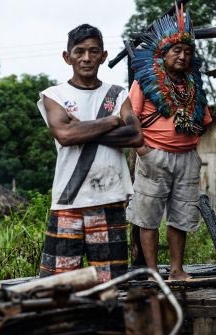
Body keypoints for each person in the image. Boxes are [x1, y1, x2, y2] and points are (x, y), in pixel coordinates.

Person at [36, 24, 143, 282]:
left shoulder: (116, 94)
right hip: (68, 201)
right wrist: (112, 122)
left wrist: (80, 128)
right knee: (58, 284)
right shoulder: (54, 95)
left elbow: (136, 136)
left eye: (93, 52)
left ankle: (105, 324)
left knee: (110, 282)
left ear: (103, 56)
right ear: (67, 56)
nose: (86, 58)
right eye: (79, 51)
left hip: (110, 197)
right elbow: (65, 135)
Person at [126, 3, 212, 281]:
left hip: (187, 158)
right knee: (147, 216)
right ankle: (151, 272)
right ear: (163, 54)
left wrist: (192, 143)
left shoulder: (193, 84)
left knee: (182, 215)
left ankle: (176, 270)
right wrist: (143, 150)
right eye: (177, 50)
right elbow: (129, 117)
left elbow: (206, 120)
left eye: (188, 52)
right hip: (154, 156)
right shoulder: (145, 82)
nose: (183, 56)